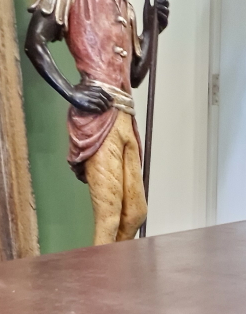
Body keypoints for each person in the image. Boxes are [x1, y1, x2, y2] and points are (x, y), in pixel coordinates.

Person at [25, 0, 169, 245]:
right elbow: (34, 42)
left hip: (125, 115)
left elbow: (134, 75)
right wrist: (72, 92)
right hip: (98, 116)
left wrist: (151, 28)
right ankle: (102, 281)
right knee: (109, 217)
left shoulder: (126, 8)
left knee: (135, 214)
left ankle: (112, 277)